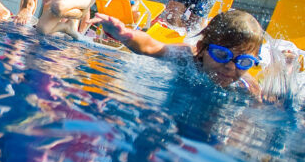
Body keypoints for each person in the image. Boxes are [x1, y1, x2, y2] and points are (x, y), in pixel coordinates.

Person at [90, 10, 262, 97]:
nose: (231, 66)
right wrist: (126, 35)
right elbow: (151, 47)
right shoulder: (186, 56)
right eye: (222, 55)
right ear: (202, 48)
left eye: (244, 62)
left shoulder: (246, 86)